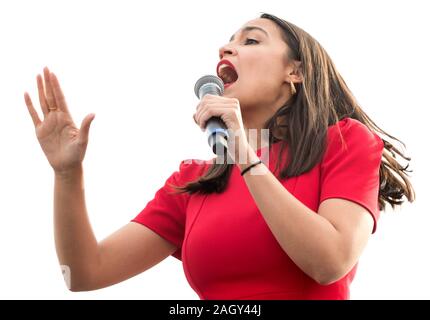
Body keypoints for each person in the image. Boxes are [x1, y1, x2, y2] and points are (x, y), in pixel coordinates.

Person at [24, 13, 415, 299]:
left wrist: (243, 151)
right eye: (229, 41)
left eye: (251, 40)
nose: (226, 47)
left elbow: (330, 261)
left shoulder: (345, 142)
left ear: (295, 72)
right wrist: (67, 175)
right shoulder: (192, 182)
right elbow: (83, 274)